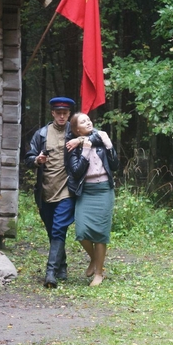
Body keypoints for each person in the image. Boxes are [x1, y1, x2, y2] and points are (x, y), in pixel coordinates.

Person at [24, 97, 76, 288]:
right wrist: (37, 160)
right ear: (53, 113)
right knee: (52, 231)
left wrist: (80, 139)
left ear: (69, 114)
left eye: (65, 113)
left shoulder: (75, 131)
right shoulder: (42, 134)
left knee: (58, 228)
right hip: (45, 192)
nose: (62, 116)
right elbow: (28, 158)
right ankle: (62, 266)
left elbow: (93, 138)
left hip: (67, 191)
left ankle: (50, 273)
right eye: (58, 112)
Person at [65, 113, 118, 287]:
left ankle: (99, 273)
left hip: (104, 190)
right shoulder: (73, 147)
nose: (88, 122)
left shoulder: (100, 137)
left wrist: (109, 146)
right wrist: (85, 149)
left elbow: (115, 165)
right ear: (75, 129)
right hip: (86, 192)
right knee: (81, 231)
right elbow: (76, 172)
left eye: (88, 120)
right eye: (83, 121)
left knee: (101, 235)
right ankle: (95, 259)